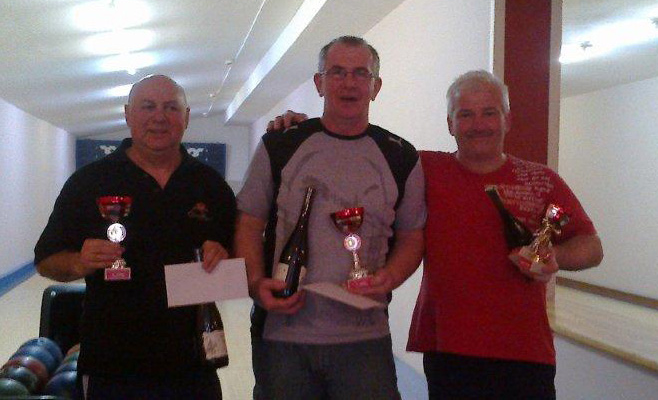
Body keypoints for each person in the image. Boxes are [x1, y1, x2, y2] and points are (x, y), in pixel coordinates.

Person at [234, 35, 426, 399]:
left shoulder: (401, 157)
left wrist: (390, 277)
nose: (349, 83)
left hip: (365, 338)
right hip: (282, 336)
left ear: (376, 87)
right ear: (319, 83)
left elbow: (412, 235)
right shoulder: (281, 144)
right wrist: (255, 284)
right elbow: (249, 222)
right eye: (337, 72)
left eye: (361, 73)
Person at [34, 75, 236, 400]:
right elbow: (46, 260)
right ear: (128, 114)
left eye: (171, 107)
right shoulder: (89, 182)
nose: (159, 117)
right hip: (113, 366)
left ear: (186, 117)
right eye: (148, 106)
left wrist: (223, 256)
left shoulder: (211, 185)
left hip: (193, 364)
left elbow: (238, 261)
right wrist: (79, 262)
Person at [407, 70, 603, 399]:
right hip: (449, 351)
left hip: (525, 352)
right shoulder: (424, 169)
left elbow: (592, 247)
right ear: (450, 124)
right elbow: (366, 156)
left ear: (507, 120)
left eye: (489, 112)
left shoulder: (542, 180)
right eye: (465, 114)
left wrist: (554, 255)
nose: (478, 124)